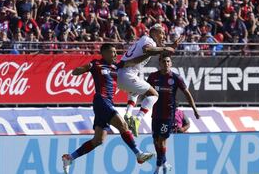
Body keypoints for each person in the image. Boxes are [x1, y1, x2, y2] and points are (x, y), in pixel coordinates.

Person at [61, 43, 155, 174]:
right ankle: (138, 154)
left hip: (108, 102)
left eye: (116, 52)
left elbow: (133, 61)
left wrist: (149, 53)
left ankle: (69, 158)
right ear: (104, 53)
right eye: (113, 52)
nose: (116, 55)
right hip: (101, 100)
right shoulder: (96, 64)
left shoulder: (117, 65)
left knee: (98, 140)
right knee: (123, 125)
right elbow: (74, 72)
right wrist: (85, 68)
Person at [117, 24, 181, 137]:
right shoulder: (148, 40)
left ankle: (128, 114)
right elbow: (148, 49)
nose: (164, 36)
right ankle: (138, 119)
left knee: (135, 90)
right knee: (154, 94)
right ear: (154, 32)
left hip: (122, 75)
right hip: (127, 74)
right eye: (162, 33)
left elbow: (157, 51)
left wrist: (171, 46)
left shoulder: (146, 40)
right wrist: (166, 48)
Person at [147, 53, 200, 174]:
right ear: (159, 63)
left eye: (168, 62)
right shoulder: (153, 77)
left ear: (171, 63)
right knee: (155, 141)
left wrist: (195, 109)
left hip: (168, 115)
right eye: (164, 61)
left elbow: (187, 94)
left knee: (161, 140)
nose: (166, 64)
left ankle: (158, 166)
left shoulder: (176, 78)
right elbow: (145, 90)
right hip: (155, 114)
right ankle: (165, 163)